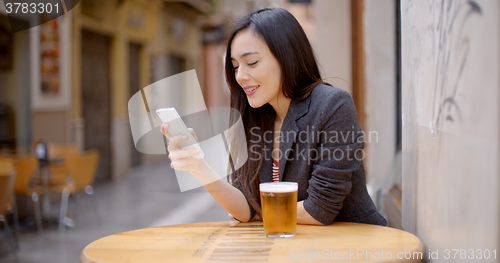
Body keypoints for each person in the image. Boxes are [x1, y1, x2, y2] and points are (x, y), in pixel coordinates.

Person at [161, 7, 387, 226]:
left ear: (287, 57)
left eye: (251, 63)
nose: (240, 76)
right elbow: (243, 208)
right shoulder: (254, 118)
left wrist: (258, 213)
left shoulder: (333, 105)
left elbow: (319, 209)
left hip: (353, 248)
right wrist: (198, 166)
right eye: (235, 66)